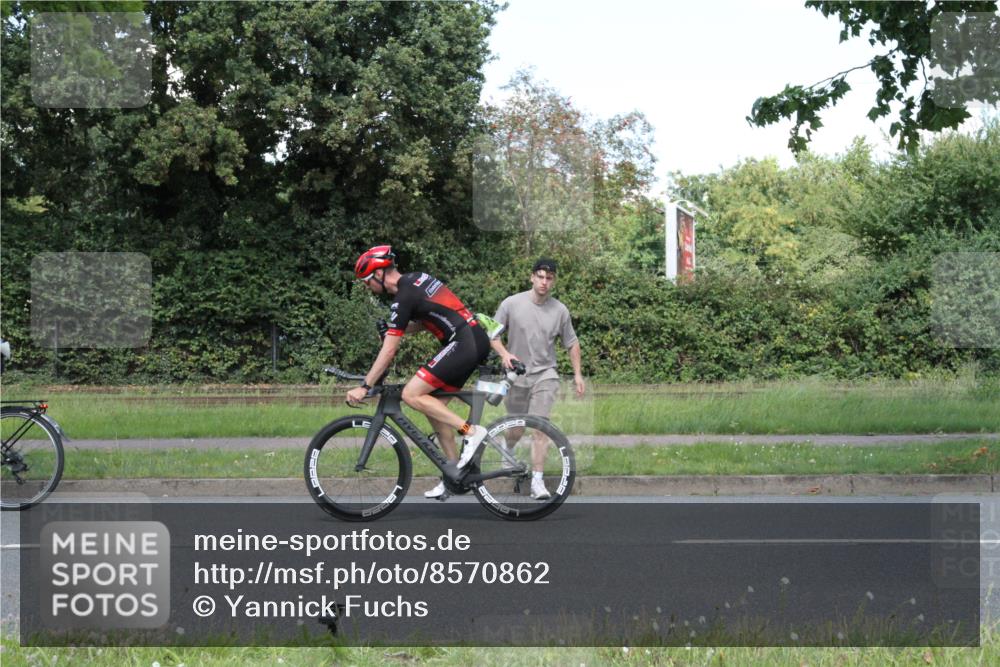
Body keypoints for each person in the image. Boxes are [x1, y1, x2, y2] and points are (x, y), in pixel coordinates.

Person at [346, 245, 491, 500]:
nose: (367, 287)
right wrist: (398, 326)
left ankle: (471, 432)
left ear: (379, 274)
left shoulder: (403, 297)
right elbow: (430, 319)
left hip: (464, 342)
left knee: (411, 395)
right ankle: (454, 474)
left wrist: (365, 385)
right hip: (470, 337)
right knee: (432, 406)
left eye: (367, 281)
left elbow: (389, 351)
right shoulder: (415, 280)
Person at [490, 257, 585, 499]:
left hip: (546, 374)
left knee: (540, 427)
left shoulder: (560, 310)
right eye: (540, 277)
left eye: (549, 278)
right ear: (532, 277)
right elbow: (492, 334)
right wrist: (504, 354)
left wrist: (577, 375)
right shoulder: (511, 304)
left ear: (554, 281)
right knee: (516, 429)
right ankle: (508, 446)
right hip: (516, 374)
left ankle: (537, 483)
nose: (544, 282)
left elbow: (572, 343)